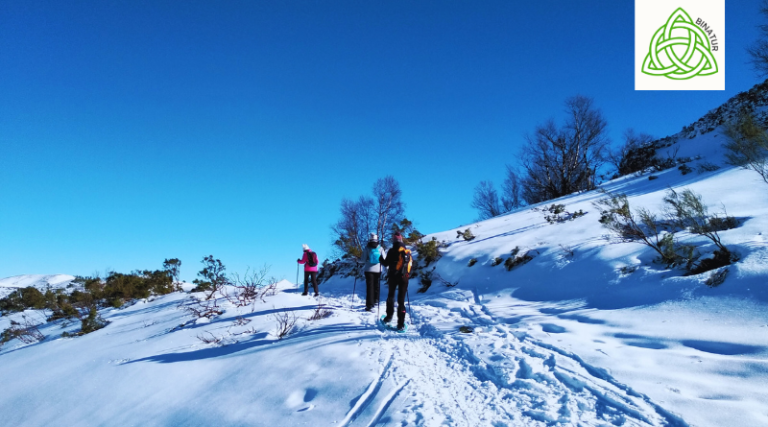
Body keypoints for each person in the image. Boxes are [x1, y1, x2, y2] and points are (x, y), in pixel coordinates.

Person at [380, 232, 410, 330]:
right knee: (401, 301)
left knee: (391, 296)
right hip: (404, 277)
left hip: (393, 276)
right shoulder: (406, 251)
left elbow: (386, 263)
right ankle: (400, 324)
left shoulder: (391, 251)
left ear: (393, 240)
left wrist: (381, 259)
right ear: (401, 240)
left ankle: (388, 318)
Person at [360, 233, 385, 312]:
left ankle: (369, 305)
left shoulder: (367, 248)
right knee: (376, 285)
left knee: (369, 287)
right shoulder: (380, 248)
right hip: (378, 270)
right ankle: (376, 301)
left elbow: (363, 260)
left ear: (370, 239)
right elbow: (384, 258)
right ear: (377, 239)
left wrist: (357, 261)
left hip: (368, 270)